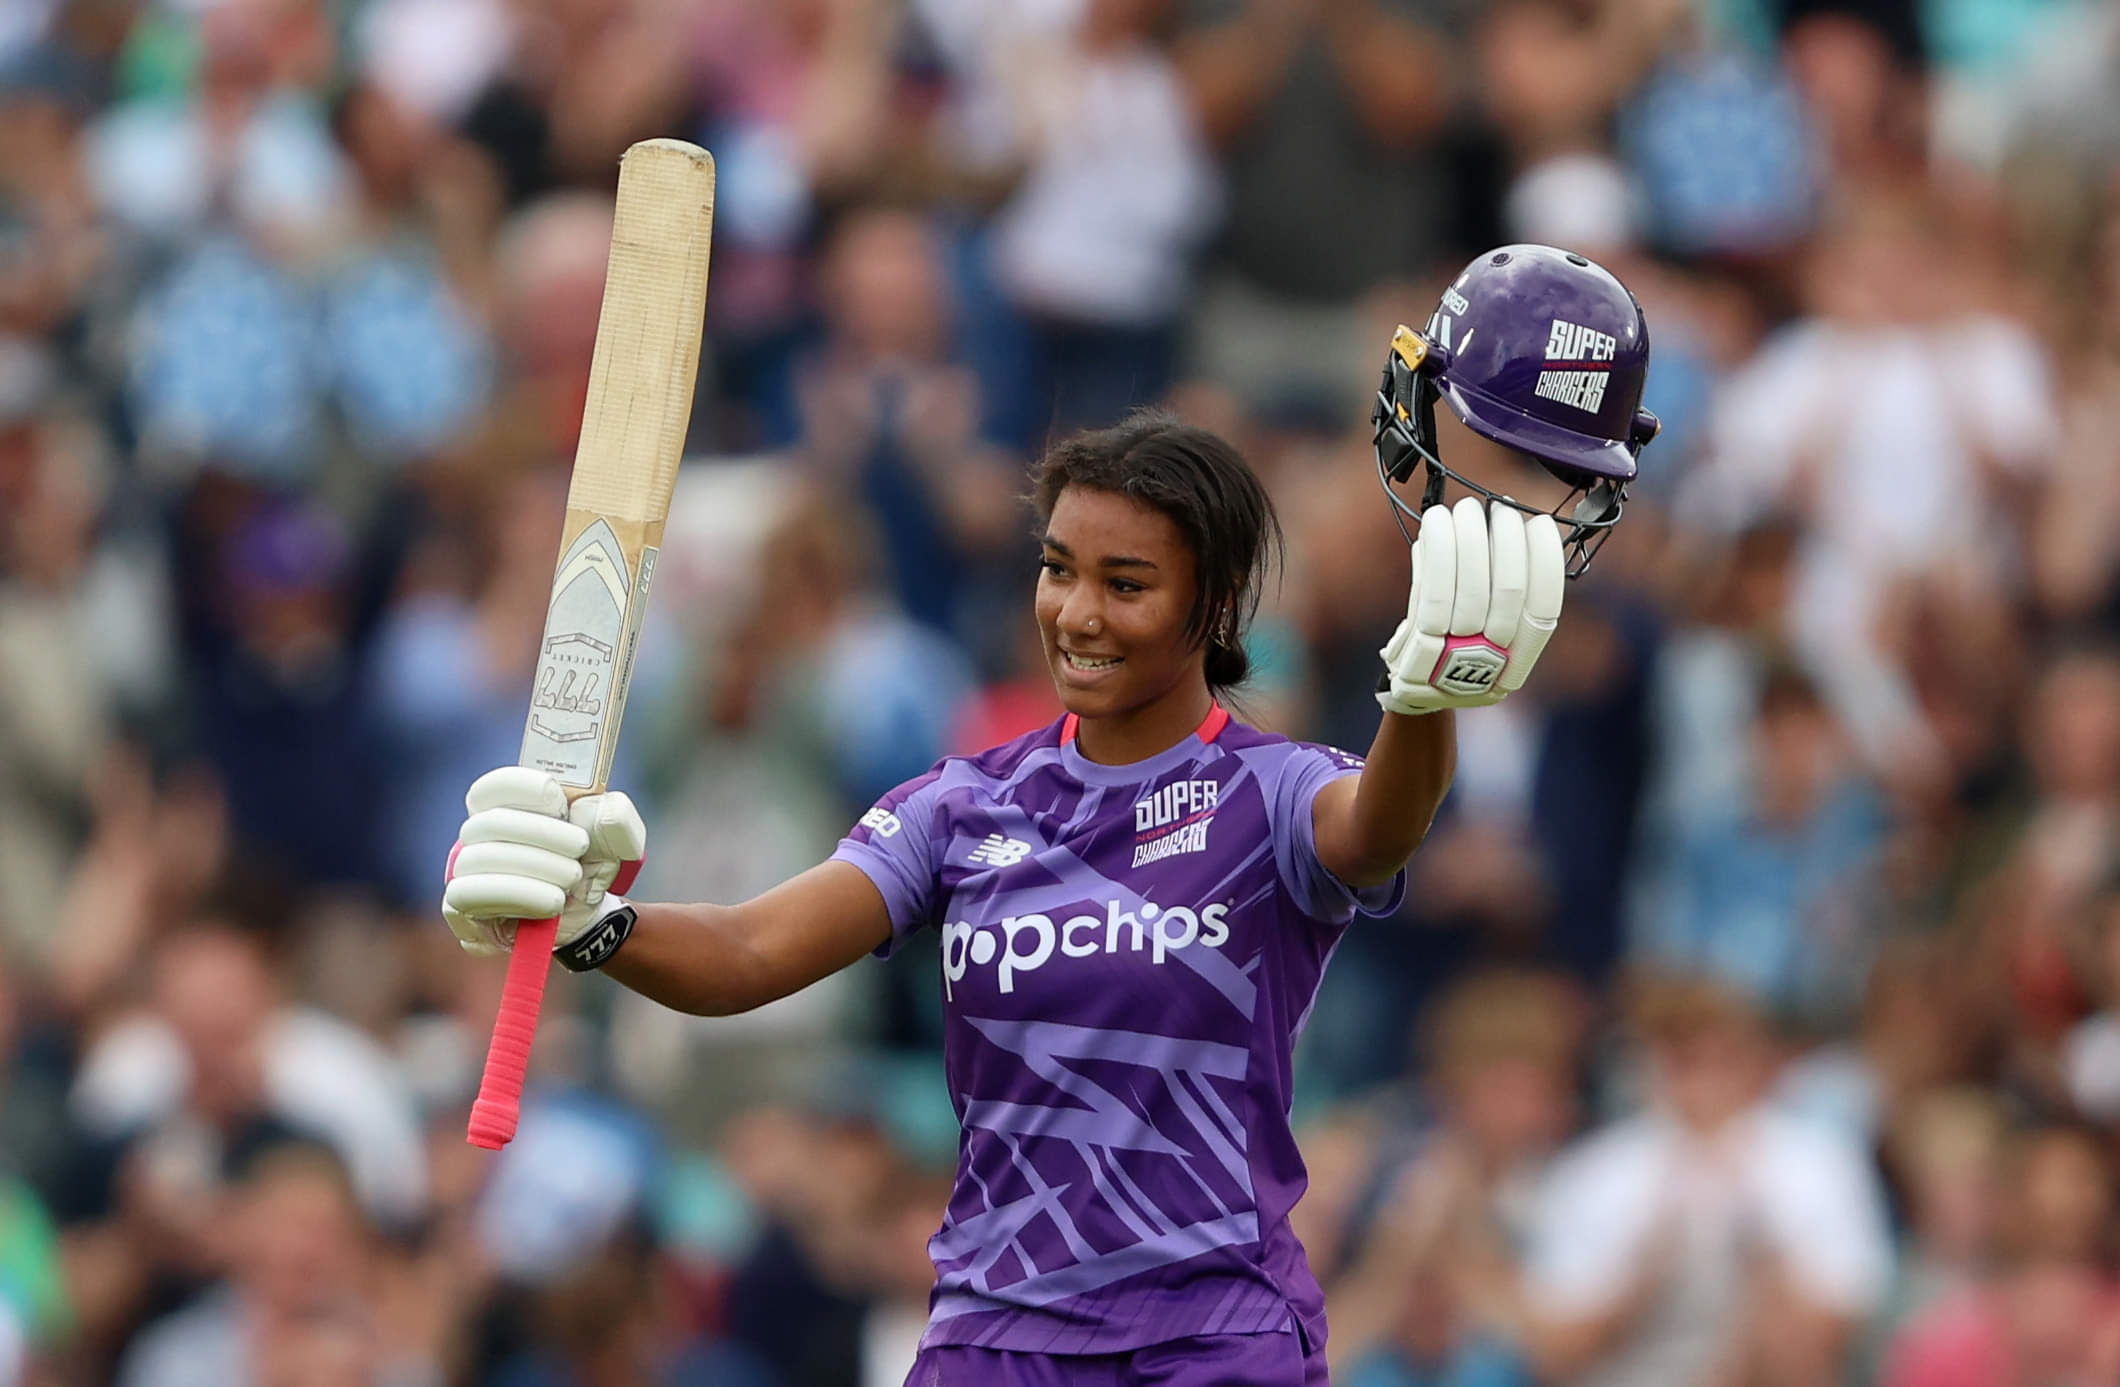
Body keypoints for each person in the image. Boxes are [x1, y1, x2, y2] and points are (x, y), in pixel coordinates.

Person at [439, 246, 1658, 1385]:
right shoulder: (963, 804)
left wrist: (1425, 701)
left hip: (1214, 1333)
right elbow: (754, 952)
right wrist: (602, 921)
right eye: (1056, 567)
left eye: (1125, 584)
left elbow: (1381, 828)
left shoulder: (1277, 790)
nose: (1075, 611)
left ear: (1215, 602)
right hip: (996, 1335)